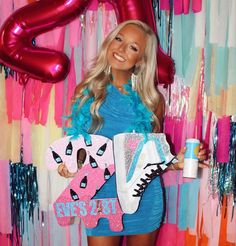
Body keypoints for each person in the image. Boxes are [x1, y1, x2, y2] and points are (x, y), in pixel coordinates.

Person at [57, 20, 208, 246]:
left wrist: (175, 162)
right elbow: (79, 144)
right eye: (119, 39)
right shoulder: (86, 91)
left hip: (144, 200)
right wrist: (72, 163)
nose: (121, 49)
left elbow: (147, 157)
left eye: (133, 47)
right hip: (101, 199)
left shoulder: (152, 101)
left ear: (141, 60)